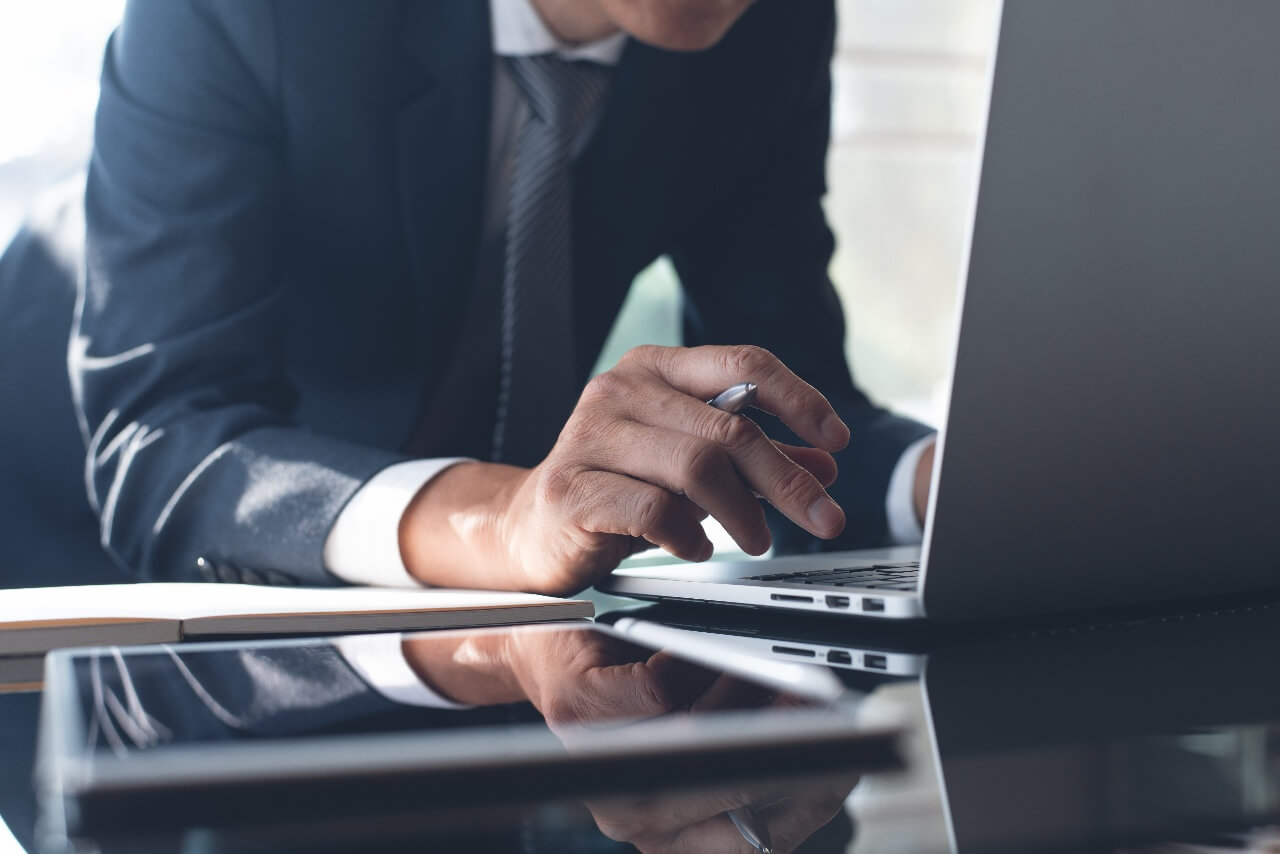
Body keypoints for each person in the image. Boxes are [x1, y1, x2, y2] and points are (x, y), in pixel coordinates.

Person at [3, 0, 937, 593]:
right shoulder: (244, 11)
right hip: (68, 551)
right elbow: (163, 436)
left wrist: (949, 484)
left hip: (460, 610)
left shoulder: (768, 26)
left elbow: (791, 401)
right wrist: (506, 518)